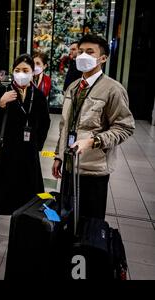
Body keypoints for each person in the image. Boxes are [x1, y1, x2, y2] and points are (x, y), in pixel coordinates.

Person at [53, 35, 135, 220]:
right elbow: (64, 125)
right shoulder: (73, 87)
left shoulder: (113, 89)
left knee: (88, 221)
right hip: (68, 165)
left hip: (93, 169)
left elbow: (125, 127)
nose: (83, 56)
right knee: (66, 216)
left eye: (90, 52)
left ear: (103, 58)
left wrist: (93, 141)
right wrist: (58, 156)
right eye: (80, 52)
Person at [0, 54, 51, 249]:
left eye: (26, 71)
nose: (21, 74)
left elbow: (45, 123)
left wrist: (36, 146)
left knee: (28, 193)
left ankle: (24, 229)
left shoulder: (37, 95)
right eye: (18, 70)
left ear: (33, 73)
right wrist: (1, 103)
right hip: (6, 151)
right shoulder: (3, 90)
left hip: (27, 154)